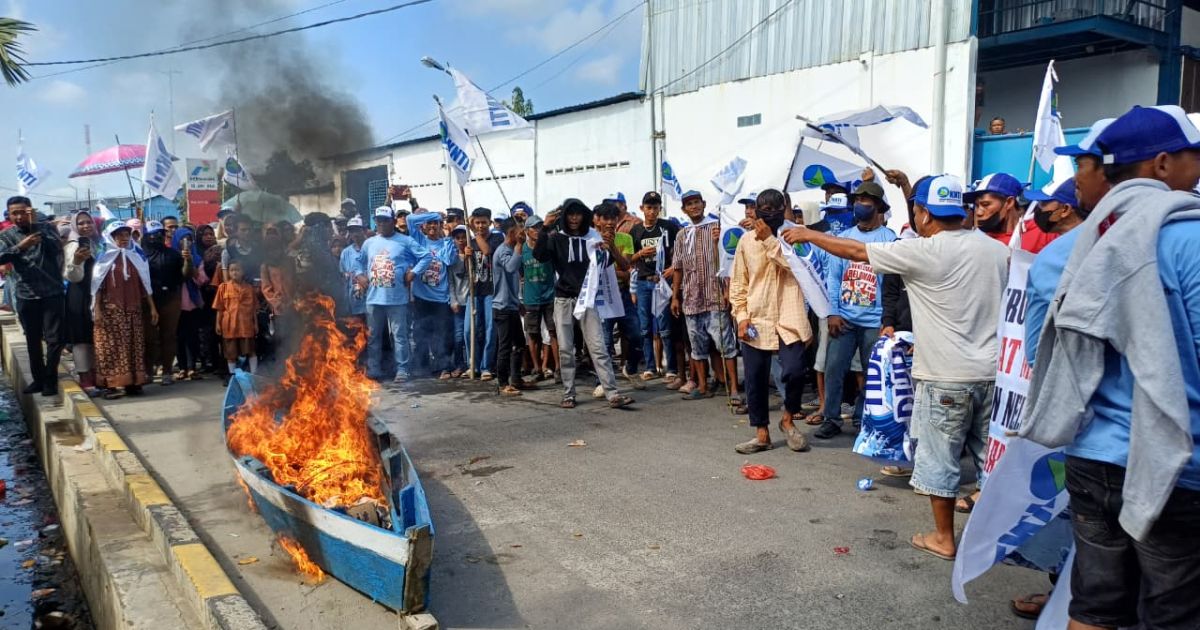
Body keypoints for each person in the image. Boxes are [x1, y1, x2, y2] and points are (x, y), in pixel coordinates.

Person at [1019, 105, 1200, 629]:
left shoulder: (1068, 252)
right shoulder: (1188, 238)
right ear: (1163, 165)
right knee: (1173, 614)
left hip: (1092, 457)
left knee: (1095, 606)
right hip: (1176, 463)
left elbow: (1040, 356)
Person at [783, 173, 1008, 562]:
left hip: (945, 377)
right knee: (990, 459)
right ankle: (998, 539)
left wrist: (809, 234)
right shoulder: (996, 250)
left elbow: (855, 252)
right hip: (993, 374)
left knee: (939, 460)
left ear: (923, 213)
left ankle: (943, 537)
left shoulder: (924, 250)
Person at [730, 189, 813, 454]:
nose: (769, 214)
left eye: (775, 209)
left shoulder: (797, 235)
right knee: (754, 378)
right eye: (763, 209)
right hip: (757, 316)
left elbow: (797, 268)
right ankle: (761, 433)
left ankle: (787, 420)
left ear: (784, 208)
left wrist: (769, 240)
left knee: (795, 371)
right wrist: (741, 317)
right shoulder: (745, 241)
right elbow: (738, 284)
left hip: (790, 315)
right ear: (756, 209)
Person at [812, 183, 897, 439]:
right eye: (858, 198)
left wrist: (887, 319)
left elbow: (891, 285)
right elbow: (834, 276)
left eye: (867, 200)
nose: (861, 203)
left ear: (879, 206)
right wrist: (833, 312)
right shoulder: (844, 237)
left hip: (875, 320)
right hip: (844, 318)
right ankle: (832, 418)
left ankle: (864, 417)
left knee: (872, 374)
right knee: (834, 368)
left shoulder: (889, 238)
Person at [532, 199, 633, 409]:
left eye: (578, 214)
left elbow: (608, 263)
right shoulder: (556, 238)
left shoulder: (593, 237)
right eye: (570, 214)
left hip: (587, 299)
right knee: (566, 348)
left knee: (598, 346)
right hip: (563, 299)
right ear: (564, 216)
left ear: (584, 216)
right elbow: (539, 256)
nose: (574, 218)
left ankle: (612, 393)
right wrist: (544, 227)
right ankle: (569, 393)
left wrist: (609, 245)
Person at [671, 190, 739, 403]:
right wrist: (675, 296)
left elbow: (729, 261)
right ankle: (702, 385)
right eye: (689, 204)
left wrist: (728, 290)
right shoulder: (682, 235)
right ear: (684, 209)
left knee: (725, 343)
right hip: (692, 297)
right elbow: (678, 268)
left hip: (715, 296)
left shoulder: (716, 228)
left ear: (703, 203)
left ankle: (734, 388)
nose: (694, 207)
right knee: (697, 345)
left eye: (696, 202)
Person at [0, 196, 67, 396]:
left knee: (55, 339)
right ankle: (38, 379)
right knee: (32, 339)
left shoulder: (46, 229)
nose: (20, 216)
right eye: (15, 213)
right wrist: (21, 246)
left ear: (31, 211)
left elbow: (57, 249)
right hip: (26, 294)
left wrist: (37, 227)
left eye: (24, 212)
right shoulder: (7, 235)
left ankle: (50, 379)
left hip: (52, 293)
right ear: (9, 215)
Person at [801, 192, 857, 424]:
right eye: (831, 214)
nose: (836, 218)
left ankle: (852, 407)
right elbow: (827, 278)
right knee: (825, 359)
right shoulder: (820, 239)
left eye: (840, 213)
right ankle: (827, 406)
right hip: (827, 307)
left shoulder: (848, 240)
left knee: (855, 364)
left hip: (852, 308)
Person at [355, 206, 421, 383]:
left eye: (385, 220)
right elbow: (357, 263)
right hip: (373, 299)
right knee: (374, 335)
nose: (382, 223)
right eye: (378, 220)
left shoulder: (405, 241)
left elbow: (426, 257)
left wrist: (413, 272)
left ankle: (403, 369)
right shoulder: (369, 243)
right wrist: (360, 275)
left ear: (393, 221)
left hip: (397, 298)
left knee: (399, 336)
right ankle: (374, 368)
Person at [91, 222, 157, 399]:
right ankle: (109, 385)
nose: (123, 238)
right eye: (119, 235)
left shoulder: (137, 256)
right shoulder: (104, 257)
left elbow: (145, 283)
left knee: (133, 347)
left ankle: (133, 383)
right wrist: (97, 309)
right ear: (111, 237)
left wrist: (152, 307)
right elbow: (97, 285)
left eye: (126, 235)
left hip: (133, 310)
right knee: (110, 348)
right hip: (110, 311)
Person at [629, 191, 680, 381]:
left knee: (665, 327)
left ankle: (671, 368)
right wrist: (640, 254)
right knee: (645, 327)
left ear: (660, 208)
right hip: (643, 282)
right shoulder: (635, 231)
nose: (652, 211)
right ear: (642, 208)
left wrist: (673, 268)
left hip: (662, 282)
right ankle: (650, 366)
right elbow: (628, 260)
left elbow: (680, 252)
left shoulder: (668, 227)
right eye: (648, 207)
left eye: (656, 207)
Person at [595, 202, 644, 391]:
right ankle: (603, 381)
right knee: (604, 341)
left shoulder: (625, 238)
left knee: (636, 335)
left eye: (613, 218)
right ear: (598, 220)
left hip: (622, 294)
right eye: (605, 218)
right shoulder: (591, 239)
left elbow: (625, 266)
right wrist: (617, 271)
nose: (609, 222)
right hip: (601, 296)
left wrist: (612, 246)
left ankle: (630, 369)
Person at [408, 212, 460, 380]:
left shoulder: (445, 243)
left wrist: (447, 237)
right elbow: (409, 220)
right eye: (429, 223)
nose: (432, 226)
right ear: (423, 225)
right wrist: (433, 215)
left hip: (440, 299)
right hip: (421, 298)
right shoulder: (419, 240)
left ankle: (443, 367)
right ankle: (421, 369)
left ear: (440, 226)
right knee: (420, 334)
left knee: (442, 335)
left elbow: (451, 260)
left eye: (435, 224)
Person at [142, 221, 189, 386]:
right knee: (149, 338)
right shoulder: (140, 256)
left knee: (168, 336)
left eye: (160, 233)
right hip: (148, 301)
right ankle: (148, 371)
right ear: (146, 236)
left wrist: (187, 261)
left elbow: (185, 276)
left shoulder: (174, 254)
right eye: (153, 234)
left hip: (170, 299)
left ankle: (167, 371)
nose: (157, 237)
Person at [63, 210, 103, 394]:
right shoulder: (73, 245)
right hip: (79, 295)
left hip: (94, 293)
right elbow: (71, 276)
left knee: (95, 337)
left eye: (88, 222)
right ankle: (86, 379)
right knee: (81, 339)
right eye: (81, 223)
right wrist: (77, 262)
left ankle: (96, 377)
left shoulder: (97, 243)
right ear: (74, 226)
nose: (86, 226)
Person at [965, 172, 1055, 252]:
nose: (979, 213)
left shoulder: (1043, 233)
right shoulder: (977, 242)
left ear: (1009, 202)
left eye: (985, 204)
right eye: (976, 205)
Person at [492, 219, 531, 396]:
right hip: (502, 307)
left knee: (519, 344)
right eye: (520, 231)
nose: (523, 234)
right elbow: (511, 267)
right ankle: (502, 384)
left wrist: (519, 302)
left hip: (512, 305)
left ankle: (516, 379)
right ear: (510, 234)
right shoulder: (503, 251)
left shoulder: (511, 249)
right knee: (505, 347)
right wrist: (519, 247)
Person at [467, 207, 504, 379]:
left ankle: (486, 366)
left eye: (483, 222)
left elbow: (487, 251)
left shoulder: (497, 238)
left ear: (489, 222)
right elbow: (462, 269)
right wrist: (465, 254)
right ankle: (472, 363)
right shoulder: (469, 240)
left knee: (490, 329)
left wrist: (475, 233)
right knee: (470, 329)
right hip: (473, 291)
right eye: (477, 223)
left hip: (491, 290)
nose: (480, 226)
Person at [521, 214, 557, 381]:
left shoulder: (549, 245)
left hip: (550, 296)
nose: (537, 230)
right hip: (531, 298)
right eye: (534, 227)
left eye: (540, 227)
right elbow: (519, 273)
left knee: (553, 332)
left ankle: (557, 368)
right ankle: (537, 368)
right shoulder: (522, 249)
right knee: (533, 334)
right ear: (527, 231)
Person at [171, 226, 209, 381]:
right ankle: (182, 368)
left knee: (192, 337)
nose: (186, 243)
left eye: (189, 239)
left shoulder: (198, 259)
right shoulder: (172, 258)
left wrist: (190, 263)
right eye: (182, 240)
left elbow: (202, 280)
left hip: (192, 304)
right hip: (176, 303)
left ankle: (192, 367)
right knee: (179, 337)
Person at [213, 260, 258, 377]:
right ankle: (232, 375)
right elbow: (219, 308)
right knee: (230, 353)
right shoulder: (223, 288)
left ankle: (254, 374)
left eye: (237, 270)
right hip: (229, 326)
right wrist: (217, 324)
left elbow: (254, 309)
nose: (234, 273)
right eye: (232, 270)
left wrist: (255, 324)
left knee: (251, 350)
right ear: (228, 272)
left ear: (242, 272)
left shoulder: (249, 288)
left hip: (246, 325)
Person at [448, 224, 471, 378]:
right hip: (458, 302)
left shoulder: (474, 255)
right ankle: (459, 364)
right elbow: (450, 282)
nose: (461, 240)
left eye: (464, 237)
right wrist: (453, 300)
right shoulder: (452, 258)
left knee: (471, 333)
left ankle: (472, 363)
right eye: (458, 238)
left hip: (471, 301)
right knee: (458, 336)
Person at [339, 216, 368, 323]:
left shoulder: (373, 247)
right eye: (351, 231)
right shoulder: (346, 253)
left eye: (357, 230)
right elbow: (344, 277)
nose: (354, 234)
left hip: (374, 300)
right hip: (356, 301)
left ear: (364, 230)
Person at [221, 215, 262, 283]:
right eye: (243, 230)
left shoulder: (258, 250)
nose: (247, 232)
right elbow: (226, 280)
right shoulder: (228, 252)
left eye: (249, 229)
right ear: (236, 231)